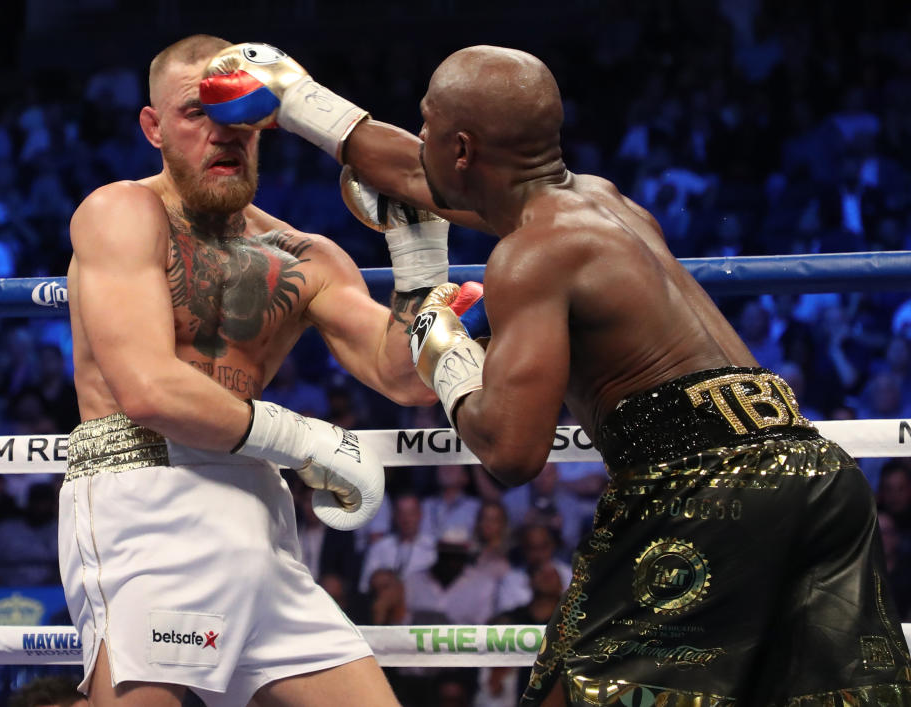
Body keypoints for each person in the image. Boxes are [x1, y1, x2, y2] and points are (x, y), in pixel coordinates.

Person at [202, 43, 911, 705]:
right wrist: (298, 98)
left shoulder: (530, 253)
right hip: (815, 472)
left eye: (426, 123)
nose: (416, 138)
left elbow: (512, 451)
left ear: (463, 148)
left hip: (707, 490)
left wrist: (443, 349)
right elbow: (420, 173)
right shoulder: (603, 200)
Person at [60, 34, 450, 707]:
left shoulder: (308, 256)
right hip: (149, 499)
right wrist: (308, 442)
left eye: (239, 111)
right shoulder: (121, 212)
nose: (223, 132)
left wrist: (419, 255)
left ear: (267, 119)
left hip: (260, 513)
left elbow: (406, 378)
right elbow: (149, 388)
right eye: (196, 113)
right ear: (153, 127)